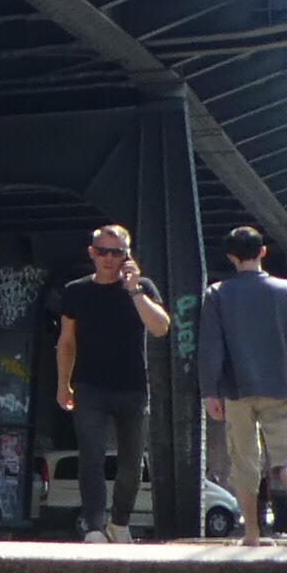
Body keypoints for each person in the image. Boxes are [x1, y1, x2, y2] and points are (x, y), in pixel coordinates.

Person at [198, 225, 287, 544]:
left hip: (238, 389)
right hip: (283, 385)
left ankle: (251, 533)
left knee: (244, 460)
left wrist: (210, 391)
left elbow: (211, 348)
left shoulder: (217, 293)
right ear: (263, 251)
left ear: (230, 256)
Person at [52, 224, 171, 540]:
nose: (109, 258)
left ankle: (119, 523)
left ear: (127, 255)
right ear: (92, 252)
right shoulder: (76, 290)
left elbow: (160, 327)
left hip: (133, 386)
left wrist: (134, 290)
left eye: (117, 252)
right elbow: (66, 341)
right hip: (89, 386)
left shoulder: (142, 287)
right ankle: (94, 527)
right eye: (103, 251)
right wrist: (63, 383)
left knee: (132, 462)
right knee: (91, 456)